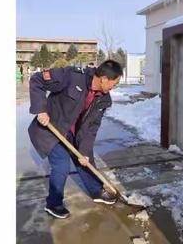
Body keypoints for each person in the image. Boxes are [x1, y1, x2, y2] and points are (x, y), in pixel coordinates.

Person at [28, 60, 123, 219]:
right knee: (61, 165)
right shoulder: (71, 77)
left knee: (85, 159)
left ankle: (96, 191)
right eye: (115, 82)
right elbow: (37, 80)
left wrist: (84, 151)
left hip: (73, 133)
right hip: (51, 129)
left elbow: (92, 128)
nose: (115, 86)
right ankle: (54, 203)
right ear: (104, 79)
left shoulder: (104, 100)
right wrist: (41, 110)